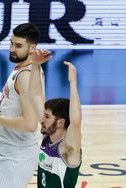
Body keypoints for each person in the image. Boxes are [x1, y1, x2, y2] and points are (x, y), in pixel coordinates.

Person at [0, 23, 51, 188]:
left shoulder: (26, 76)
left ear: (32, 48)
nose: (12, 49)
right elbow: (14, 108)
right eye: (11, 43)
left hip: (18, 154)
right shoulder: (23, 69)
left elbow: (30, 124)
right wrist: (1, 133)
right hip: (9, 146)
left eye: (18, 46)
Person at [28, 60, 82, 188]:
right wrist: (35, 65)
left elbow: (75, 122)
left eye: (47, 117)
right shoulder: (47, 139)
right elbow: (34, 95)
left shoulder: (68, 148)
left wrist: (73, 82)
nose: (42, 120)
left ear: (61, 122)